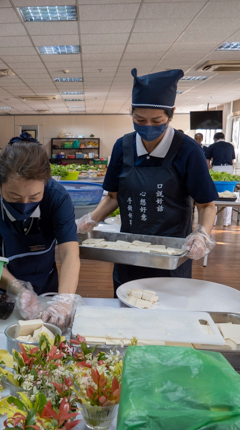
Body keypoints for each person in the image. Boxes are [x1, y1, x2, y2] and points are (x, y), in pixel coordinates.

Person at [76, 68, 218, 293]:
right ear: (131, 113)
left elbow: (206, 204)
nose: (148, 126)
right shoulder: (122, 147)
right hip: (129, 249)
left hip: (172, 253)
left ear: (170, 114)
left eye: (156, 120)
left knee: (168, 307)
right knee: (126, 299)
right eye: (139, 119)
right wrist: (89, 221)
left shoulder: (188, 151)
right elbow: (113, 196)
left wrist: (201, 234)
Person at [0, 133, 81, 328]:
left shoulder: (57, 197)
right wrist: (19, 290)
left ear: (45, 184)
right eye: (15, 197)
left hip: (47, 288)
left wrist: (64, 300)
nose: (25, 204)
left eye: (35, 196)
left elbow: (70, 252)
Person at [206, 132, 236, 226]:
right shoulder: (230, 146)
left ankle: (213, 221)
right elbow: (232, 161)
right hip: (228, 169)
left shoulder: (212, 146)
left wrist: (212, 170)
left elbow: (207, 161)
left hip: (217, 169)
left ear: (215, 139)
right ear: (224, 137)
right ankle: (227, 222)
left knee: (215, 195)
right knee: (229, 195)